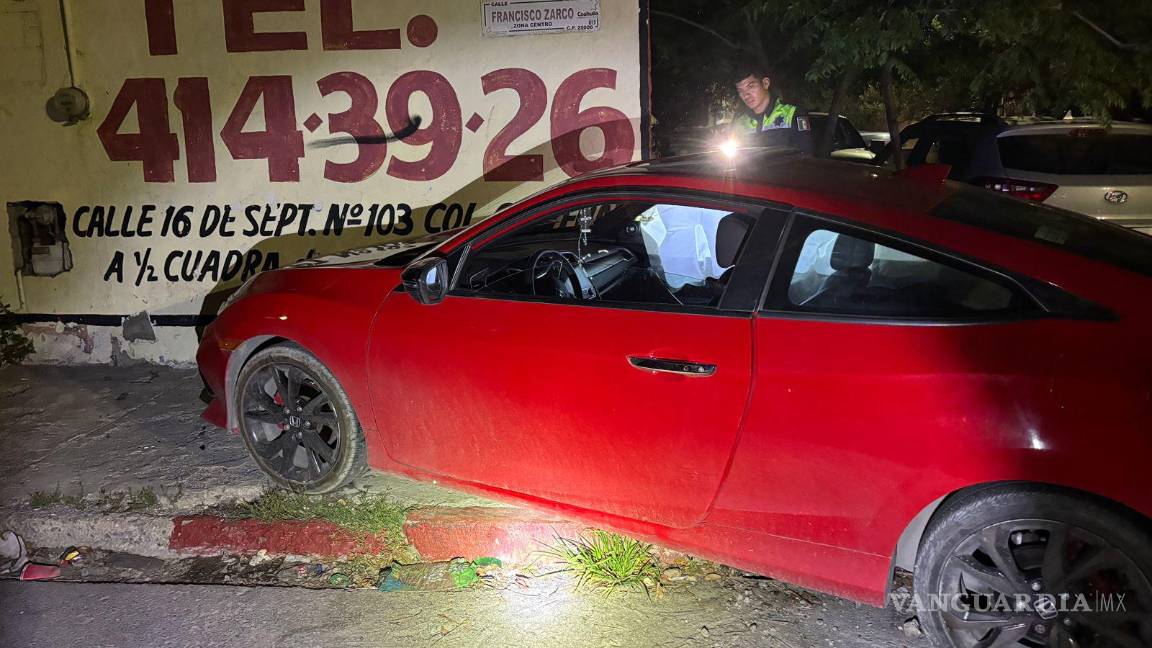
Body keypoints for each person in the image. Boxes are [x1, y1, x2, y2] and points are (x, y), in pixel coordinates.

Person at [729, 66, 813, 153]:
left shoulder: (792, 113)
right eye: (740, 91)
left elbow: (805, 156)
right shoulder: (739, 123)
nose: (745, 95)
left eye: (750, 87)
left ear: (765, 83)